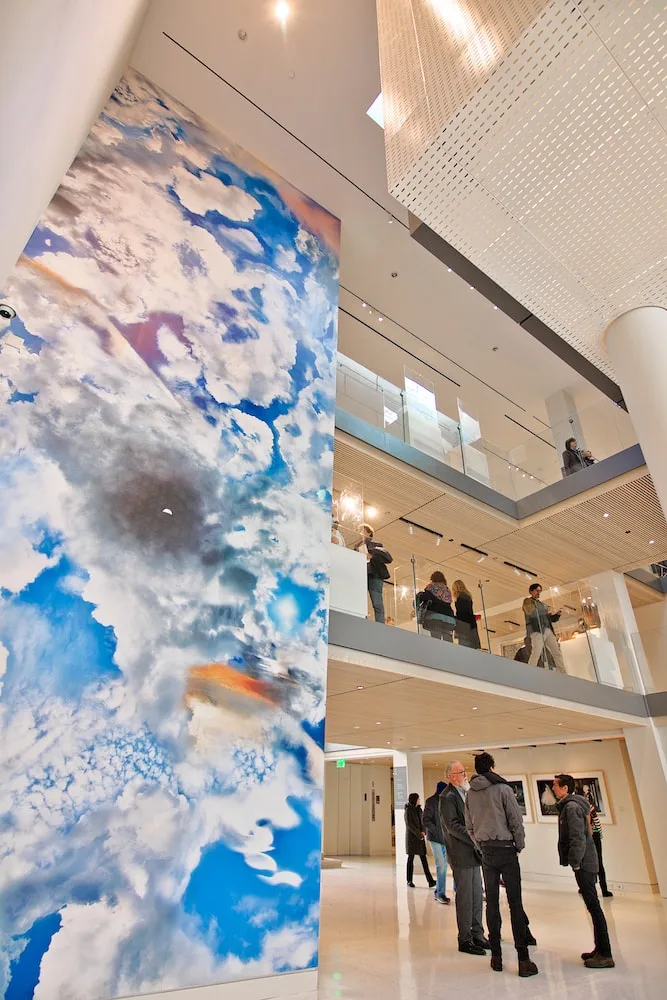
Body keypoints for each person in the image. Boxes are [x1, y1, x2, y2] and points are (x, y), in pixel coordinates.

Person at [465, 753, 538, 978]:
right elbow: (515, 819)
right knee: (515, 903)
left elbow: (469, 825)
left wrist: (479, 843)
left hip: (486, 850)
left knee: (492, 904)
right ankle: (523, 958)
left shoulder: (470, 794)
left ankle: (496, 956)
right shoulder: (503, 789)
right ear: (492, 766)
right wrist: (519, 844)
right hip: (506, 849)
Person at [552, 774, 615, 969]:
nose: (553, 788)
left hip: (585, 863)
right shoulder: (574, 805)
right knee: (592, 906)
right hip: (586, 861)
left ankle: (605, 953)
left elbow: (578, 836)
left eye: (555, 785)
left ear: (564, 788)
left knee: (594, 907)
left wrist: (576, 862)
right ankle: (599, 949)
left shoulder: (571, 807)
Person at [440, 762, 489, 956]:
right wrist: (473, 836)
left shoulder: (465, 793)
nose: (465, 775)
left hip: (473, 853)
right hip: (461, 853)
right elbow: (452, 825)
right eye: (461, 772)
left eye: (464, 771)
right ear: (452, 776)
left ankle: (478, 934)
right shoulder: (447, 797)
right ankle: (465, 939)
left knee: (477, 896)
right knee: (466, 898)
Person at [522, 583, 566, 673]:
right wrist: (546, 609)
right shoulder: (527, 601)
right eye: (537, 590)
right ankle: (530, 672)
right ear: (531, 591)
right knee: (536, 652)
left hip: (547, 629)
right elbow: (531, 612)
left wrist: (557, 615)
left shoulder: (541, 604)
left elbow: (549, 619)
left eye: (540, 591)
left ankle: (563, 672)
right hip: (537, 630)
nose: (538, 593)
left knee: (556, 652)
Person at [355, 523, 392, 624]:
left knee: (377, 602)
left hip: (374, 576)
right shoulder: (356, 546)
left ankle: (380, 624)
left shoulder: (376, 545)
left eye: (362, 530)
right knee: (360, 601)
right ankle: (362, 622)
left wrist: (372, 555)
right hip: (361, 576)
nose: (360, 533)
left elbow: (388, 558)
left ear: (368, 533)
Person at [423, 781, 450, 904]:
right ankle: (440, 893)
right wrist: (436, 830)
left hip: (445, 838)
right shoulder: (431, 802)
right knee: (441, 866)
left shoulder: (446, 801)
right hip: (435, 838)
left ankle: (438, 891)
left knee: (444, 865)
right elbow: (426, 819)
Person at [404, 793, 436, 889]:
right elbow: (410, 825)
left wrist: (423, 831)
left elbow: (423, 822)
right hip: (412, 838)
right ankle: (409, 881)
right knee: (410, 859)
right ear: (414, 800)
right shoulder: (408, 811)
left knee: (424, 860)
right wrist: (419, 833)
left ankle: (430, 881)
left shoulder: (419, 809)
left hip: (420, 837)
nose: (419, 800)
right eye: (418, 799)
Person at [418, 571, 456, 641]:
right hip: (448, 617)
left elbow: (424, 598)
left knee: (436, 639)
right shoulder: (447, 589)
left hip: (435, 616)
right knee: (448, 640)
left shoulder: (431, 586)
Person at [590, 806, 613, 897]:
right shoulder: (589, 806)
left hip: (586, 836)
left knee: (587, 863)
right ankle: (604, 889)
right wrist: (600, 834)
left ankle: (589, 888)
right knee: (599, 862)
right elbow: (596, 821)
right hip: (595, 835)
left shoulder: (577, 806)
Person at [451, 579, 481, 648]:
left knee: (464, 646)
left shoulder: (460, 598)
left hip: (464, 625)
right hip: (471, 624)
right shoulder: (468, 597)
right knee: (472, 645)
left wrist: (454, 618)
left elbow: (461, 613)